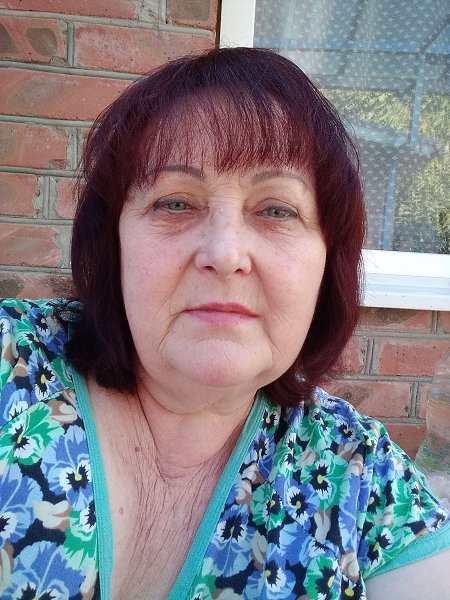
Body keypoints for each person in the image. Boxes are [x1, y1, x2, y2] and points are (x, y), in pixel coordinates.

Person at [0, 47, 449, 600]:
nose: (225, 253)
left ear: (326, 264)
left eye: (277, 210)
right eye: (174, 203)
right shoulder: (11, 365)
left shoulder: (361, 477)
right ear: (112, 245)